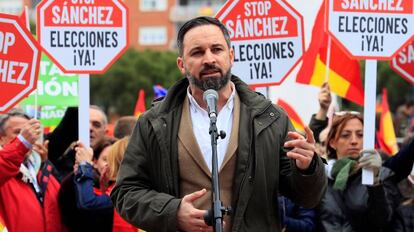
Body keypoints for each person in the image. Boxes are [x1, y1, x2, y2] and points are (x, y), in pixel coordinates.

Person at [111, 16, 327, 232]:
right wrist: (172, 212)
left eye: (217, 49)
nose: (209, 59)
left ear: (231, 56)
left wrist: (308, 169)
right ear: (181, 64)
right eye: (197, 52)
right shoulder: (154, 122)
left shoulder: (270, 118)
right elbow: (126, 192)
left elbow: (308, 198)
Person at [317, 112, 400, 231]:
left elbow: (382, 221)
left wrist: (375, 183)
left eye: (360, 135)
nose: (354, 141)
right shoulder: (321, 178)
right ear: (332, 143)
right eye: (346, 135)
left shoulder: (382, 175)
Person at [0, 109, 65, 232]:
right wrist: (21, 143)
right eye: (18, 132)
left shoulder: (43, 172)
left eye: (31, 132)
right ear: (1, 138)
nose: (28, 137)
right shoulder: (4, 171)